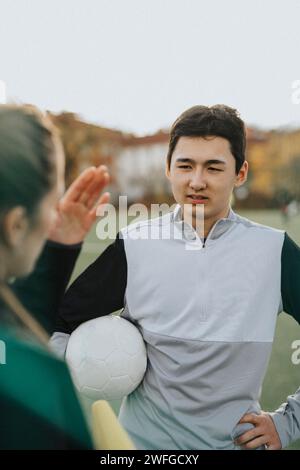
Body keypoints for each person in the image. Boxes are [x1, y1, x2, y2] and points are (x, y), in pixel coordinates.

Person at [51, 105, 300, 450]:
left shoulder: (275, 251)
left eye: (213, 168)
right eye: (185, 165)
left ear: (240, 173)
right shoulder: (135, 245)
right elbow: (55, 324)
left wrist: (288, 422)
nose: (196, 181)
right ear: (168, 168)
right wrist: (79, 371)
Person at [0, 104, 110, 449]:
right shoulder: (39, 383)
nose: (54, 218)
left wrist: (56, 250)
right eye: (52, 204)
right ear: (16, 225)